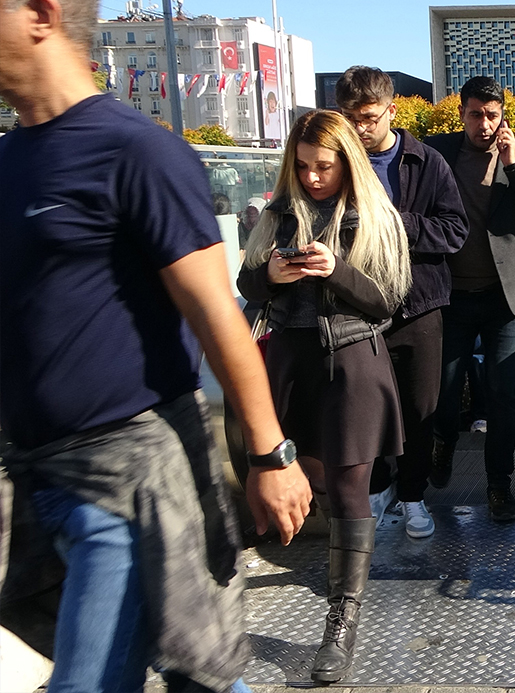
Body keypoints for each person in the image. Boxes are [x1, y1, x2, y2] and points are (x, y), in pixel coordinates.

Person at [0, 2, 312, 692]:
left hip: (125, 489)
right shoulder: (11, 157)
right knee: (196, 673)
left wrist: (272, 456)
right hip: (36, 479)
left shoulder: (135, 149)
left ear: (42, 14)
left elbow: (216, 314)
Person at [237, 109, 410, 684]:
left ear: (347, 164)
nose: (313, 177)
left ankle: (342, 619)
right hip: (292, 362)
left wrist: (335, 270)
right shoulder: (277, 214)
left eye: (325, 167)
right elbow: (246, 283)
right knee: (295, 474)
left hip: (354, 363)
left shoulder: (373, 214)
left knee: (346, 486)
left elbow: (388, 300)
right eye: (304, 166)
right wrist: (273, 277)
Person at [334, 66, 469, 540]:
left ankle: (412, 496)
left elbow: (455, 231)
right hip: (354, 311)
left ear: (392, 110)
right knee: (362, 410)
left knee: (418, 409)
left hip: (418, 308)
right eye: (350, 118)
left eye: (369, 117)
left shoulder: (427, 162)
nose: (359, 128)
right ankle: (376, 489)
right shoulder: (335, 162)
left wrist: (399, 224)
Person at [425, 76, 515, 523]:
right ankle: (443, 443)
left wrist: (514, 164)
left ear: (504, 116)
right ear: (461, 113)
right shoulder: (437, 153)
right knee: (442, 392)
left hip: (505, 301)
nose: (484, 124)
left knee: (503, 399)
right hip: (450, 298)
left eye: (492, 115)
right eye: (475, 114)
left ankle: (499, 486)